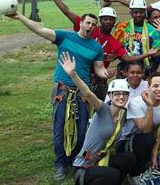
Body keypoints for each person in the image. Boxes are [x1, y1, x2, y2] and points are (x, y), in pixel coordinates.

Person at [7, 12, 112, 180]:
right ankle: (60, 163)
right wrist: (20, 17)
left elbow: (98, 68)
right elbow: (40, 30)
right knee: (60, 128)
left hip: (82, 92)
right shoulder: (64, 37)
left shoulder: (96, 47)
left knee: (82, 128)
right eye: (87, 23)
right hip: (62, 91)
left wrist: (105, 73)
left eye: (93, 24)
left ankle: (76, 161)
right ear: (81, 24)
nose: (90, 27)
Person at [42, 0, 145, 100]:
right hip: (79, 78)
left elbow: (127, 58)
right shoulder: (89, 28)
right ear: (100, 20)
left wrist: (148, 54)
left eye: (111, 19)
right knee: (75, 112)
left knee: (102, 113)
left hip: (99, 82)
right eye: (105, 19)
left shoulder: (113, 42)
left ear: (114, 22)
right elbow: (67, 11)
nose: (108, 22)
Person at [58, 52, 136, 185]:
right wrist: (73, 74)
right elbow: (88, 94)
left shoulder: (122, 114)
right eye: (117, 94)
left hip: (100, 159)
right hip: (84, 165)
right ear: (110, 96)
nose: (121, 97)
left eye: (124, 94)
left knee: (129, 159)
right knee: (113, 174)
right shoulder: (102, 109)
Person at [116, 72, 160, 177]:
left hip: (145, 142)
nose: (159, 89)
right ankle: (136, 174)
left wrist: (154, 153)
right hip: (125, 142)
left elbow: (159, 132)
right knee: (148, 138)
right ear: (148, 87)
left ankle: (146, 168)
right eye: (155, 86)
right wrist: (149, 106)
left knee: (151, 139)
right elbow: (145, 130)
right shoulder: (136, 103)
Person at [113, 0, 160, 73]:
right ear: (131, 13)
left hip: (145, 68)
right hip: (125, 67)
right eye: (135, 12)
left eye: (141, 12)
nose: (138, 15)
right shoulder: (122, 27)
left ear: (145, 13)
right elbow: (117, 49)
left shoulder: (152, 31)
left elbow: (155, 52)